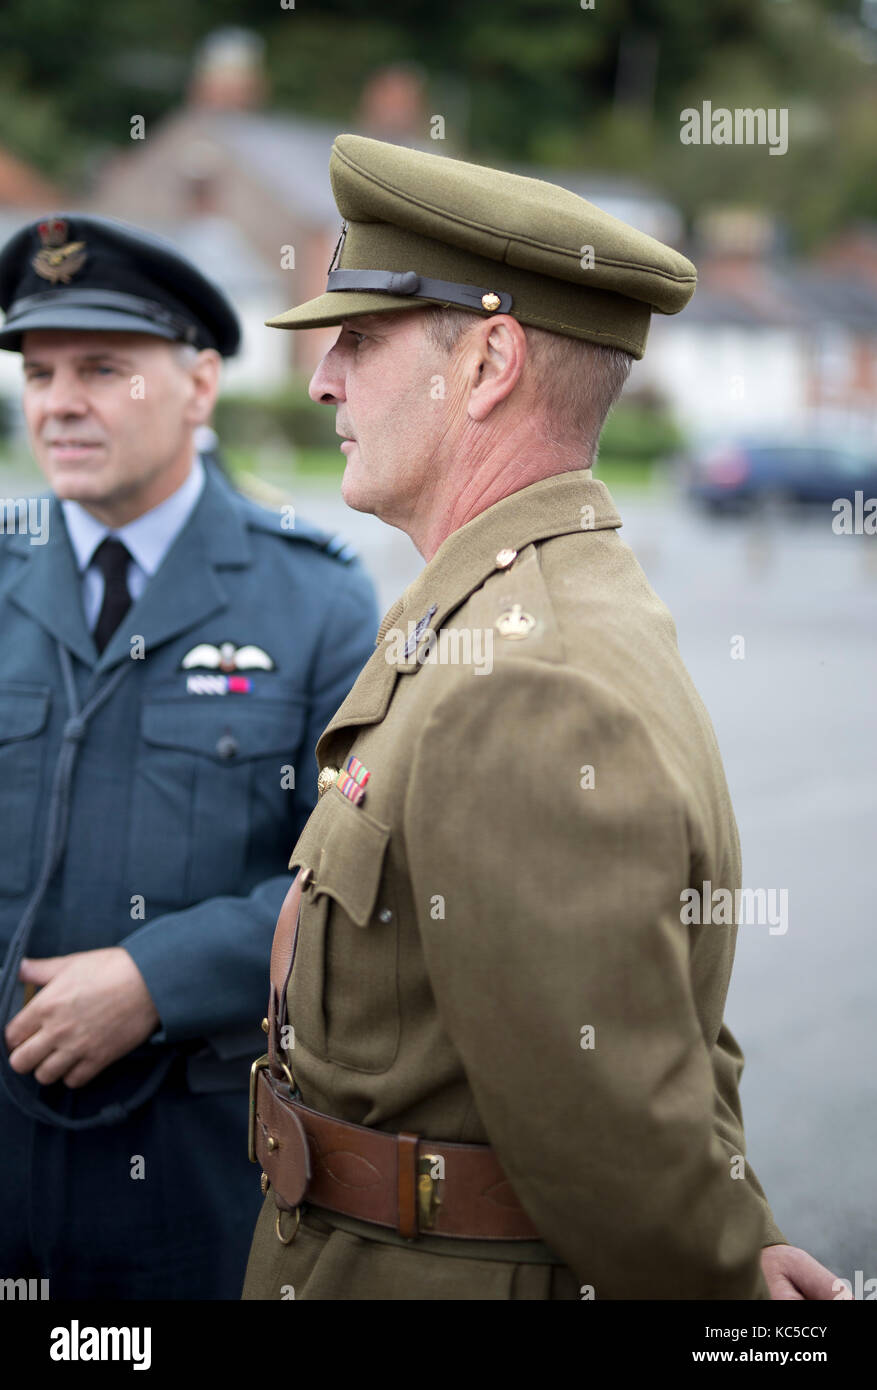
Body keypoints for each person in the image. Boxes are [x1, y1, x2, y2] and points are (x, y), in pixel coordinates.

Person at [242, 135, 843, 1301]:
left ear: (487, 364)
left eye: (359, 340)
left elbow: (613, 1106)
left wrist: (723, 1274)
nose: (321, 379)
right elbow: (657, 1020)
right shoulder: (518, 604)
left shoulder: (526, 674)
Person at [0, 213, 378, 1298]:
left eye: (104, 369)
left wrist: (155, 978)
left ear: (200, 385)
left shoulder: (312, 599)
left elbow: (352, 882)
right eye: (39, 372)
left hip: (191, 1169)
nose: (59, 403)